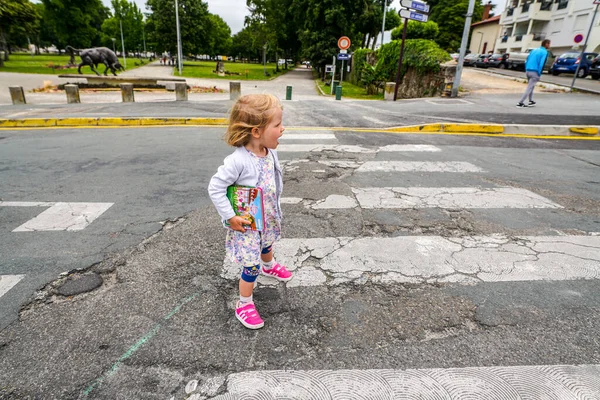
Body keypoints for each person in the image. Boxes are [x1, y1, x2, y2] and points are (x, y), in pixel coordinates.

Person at [208, 94, 293, 330]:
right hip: (246, 224)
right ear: (256, 131)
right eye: (277, 125)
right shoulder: (237, 161)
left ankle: (269, 265)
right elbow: (215, 187)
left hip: (267, 217)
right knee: (250, 266)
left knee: (267, 244)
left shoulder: (270, 151)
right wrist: (230, 217)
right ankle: (244, 302)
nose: (282, 129)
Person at [517, 39, 551, 108]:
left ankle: (530, 101)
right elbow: (542, 63)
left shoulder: (534, 50)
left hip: (528, 70)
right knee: (529, 87)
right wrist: (539, 73)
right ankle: (520, 102)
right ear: (546, 44)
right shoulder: (544, 52)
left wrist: (526, 68)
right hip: (535, 71)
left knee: (531, 86)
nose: (549, 45)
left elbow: (527, 60)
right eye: (549, 44)